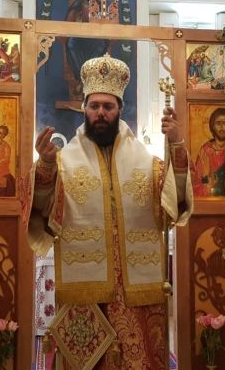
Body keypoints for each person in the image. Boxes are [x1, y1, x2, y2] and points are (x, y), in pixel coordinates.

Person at [24, 53, 193, 369]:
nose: (100, 113)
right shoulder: (63, 161)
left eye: (108, 106)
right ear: (84, 108)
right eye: (94, 106)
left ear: (120, 110)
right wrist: (45, 166)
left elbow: (175, 205)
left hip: (136, 296)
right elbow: (42, 212)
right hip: (86, 296)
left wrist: (177, 146)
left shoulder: (147, 164)